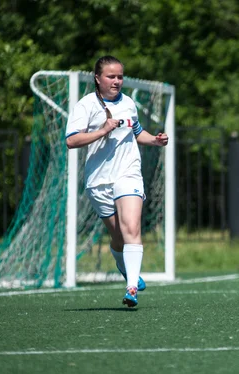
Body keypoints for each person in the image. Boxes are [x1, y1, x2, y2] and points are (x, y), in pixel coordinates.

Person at [65, 55, 169, 307]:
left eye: (120, 76)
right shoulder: (86, 105)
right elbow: (71, 140)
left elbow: (137, 133)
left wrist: (155, 139)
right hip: (99, 181)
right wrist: (102, 129)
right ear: (98, 79)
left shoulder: (129, 103)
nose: (117, 81)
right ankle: (125, 266)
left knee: (132, 228)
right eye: (111, 76)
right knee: (119, 238)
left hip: (128, 173)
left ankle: (131, 287)